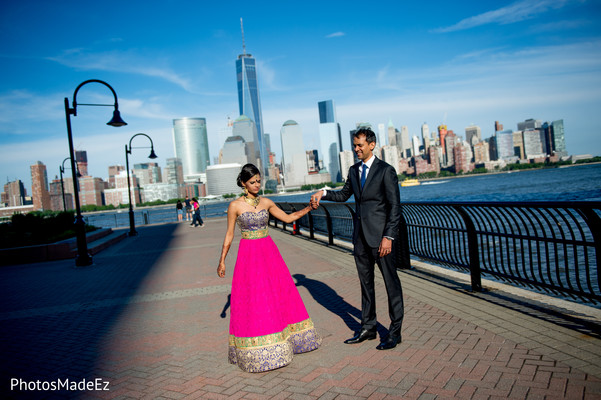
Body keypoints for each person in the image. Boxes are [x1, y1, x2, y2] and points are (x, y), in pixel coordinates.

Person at [217, 163, 321, 372]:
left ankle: (288, 338)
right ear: (243, 183)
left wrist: (309, 208)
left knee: (278, 292)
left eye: (258, 181)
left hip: (269, 253)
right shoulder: (235, 206)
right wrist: (222, 260)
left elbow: (288, 218)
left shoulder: (266, 202)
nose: (257, 185)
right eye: (252, 182)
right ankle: (258, 345)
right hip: (248, 256)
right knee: (254, 297)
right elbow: (229, 234)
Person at [310, 127, 404, 350]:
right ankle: (368, 328)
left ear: (372, 145)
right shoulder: (353, 171)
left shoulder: (386, 171)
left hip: (382, 239)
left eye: (360, 145)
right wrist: (323, 193)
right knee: (366, 285)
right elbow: (343, 195)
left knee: (392, 285)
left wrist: (388, 236)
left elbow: (394, 207)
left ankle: (395, 332)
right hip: (360, 239)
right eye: (354, 145)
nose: (356, 149)